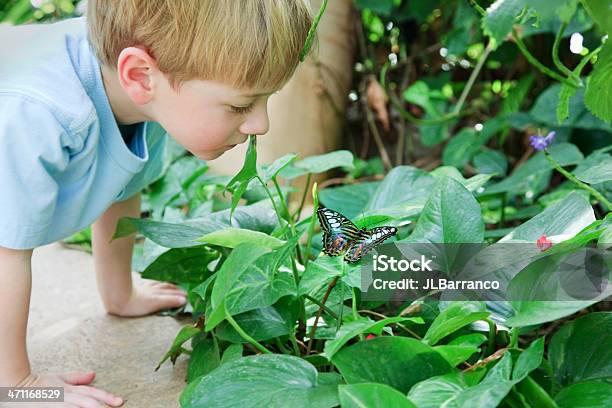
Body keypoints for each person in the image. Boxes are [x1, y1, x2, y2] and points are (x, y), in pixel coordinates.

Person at [0, 1, 313, 406]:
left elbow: (122, 187)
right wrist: (17, 382)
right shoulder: (42, 113)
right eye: (240, 105)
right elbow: (6, 250)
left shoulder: (150, 95)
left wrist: (120, 294)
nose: (260, 124)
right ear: (140, 76)